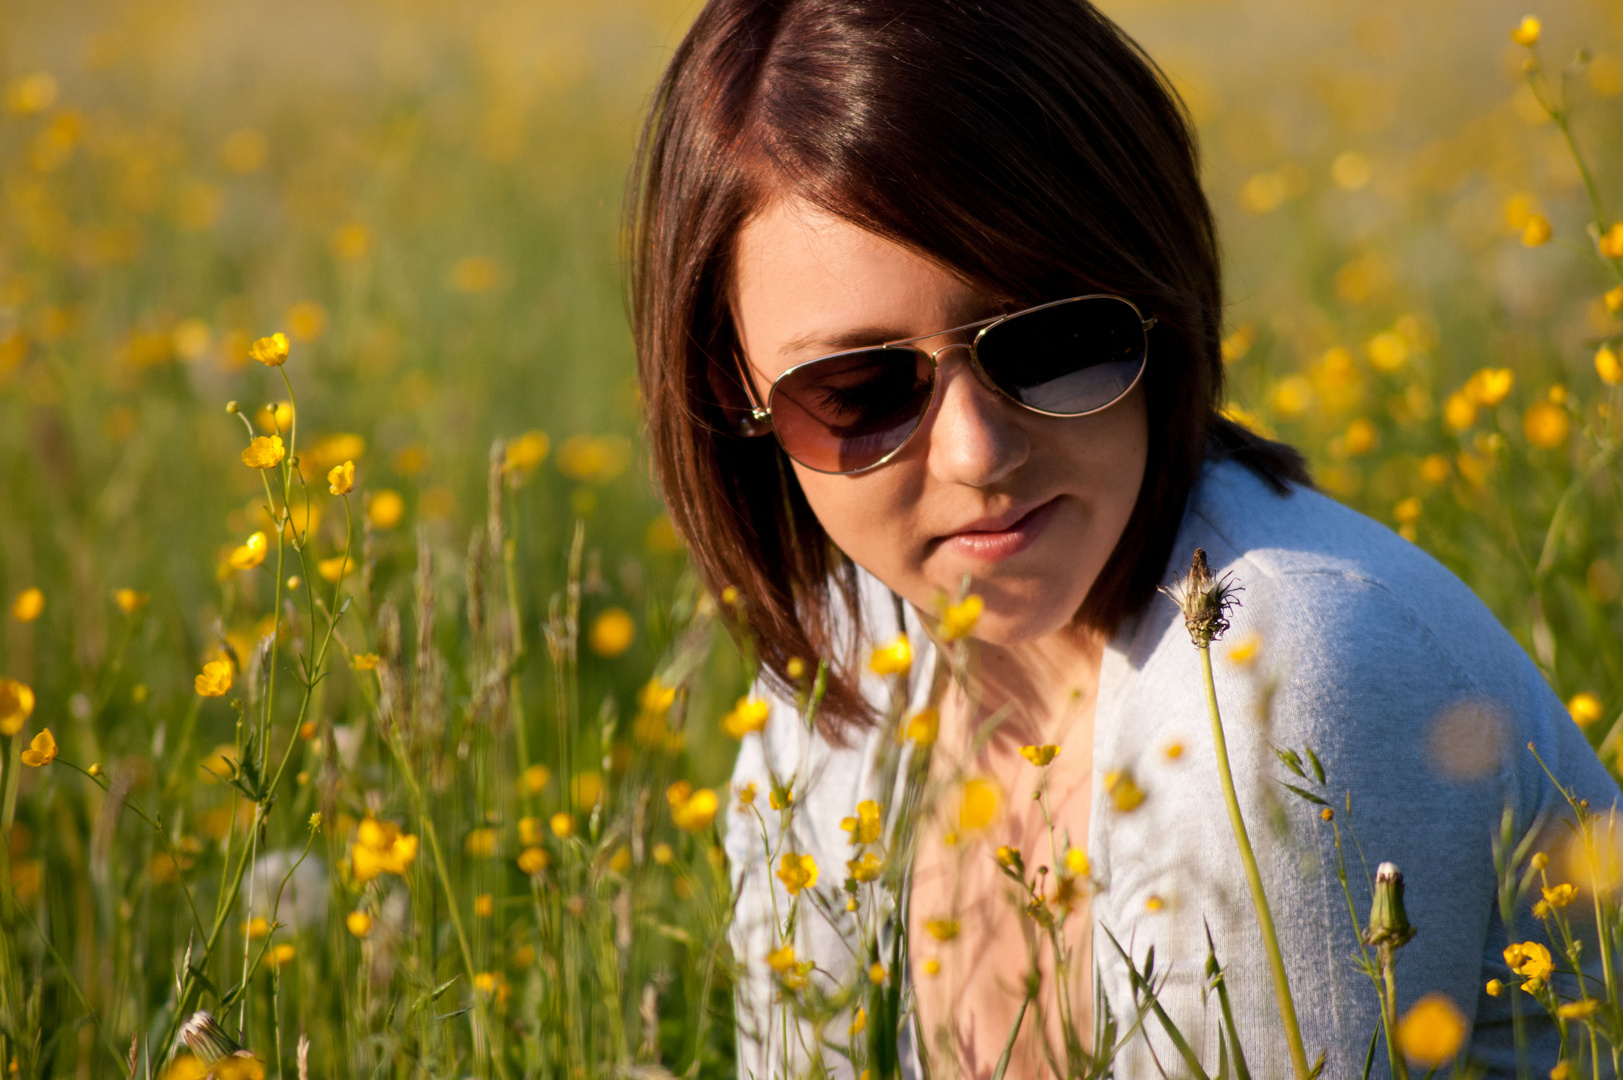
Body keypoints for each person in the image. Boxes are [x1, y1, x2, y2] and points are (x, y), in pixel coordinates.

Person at [625, 1, 1615, 1076]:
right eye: (859, 390)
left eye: (1054, 339)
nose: (975, 454)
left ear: (1156, 296)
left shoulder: (1281, 674)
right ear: (735, 390)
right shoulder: (842, 665)